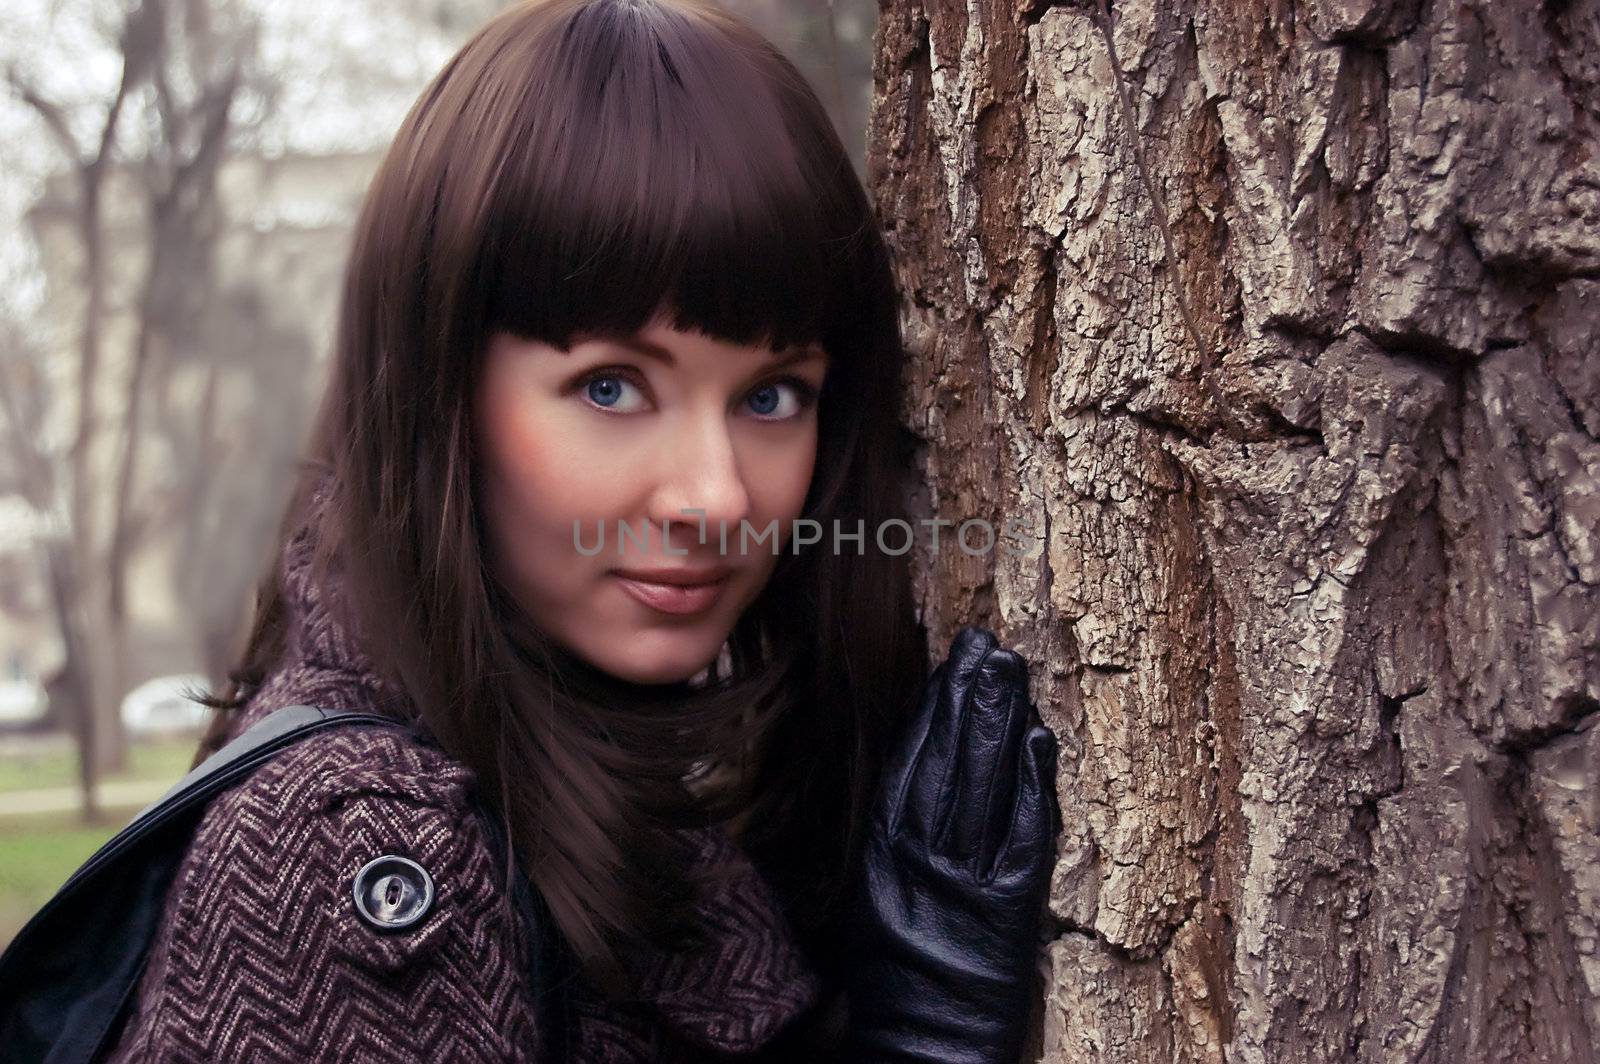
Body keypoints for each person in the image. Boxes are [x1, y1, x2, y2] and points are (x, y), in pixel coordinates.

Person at [99, 0, 1058, 1061]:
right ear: (440, 393)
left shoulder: (585, 746)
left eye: (772, 395)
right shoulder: (362, 866)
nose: (717, 498)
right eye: (611, 386)